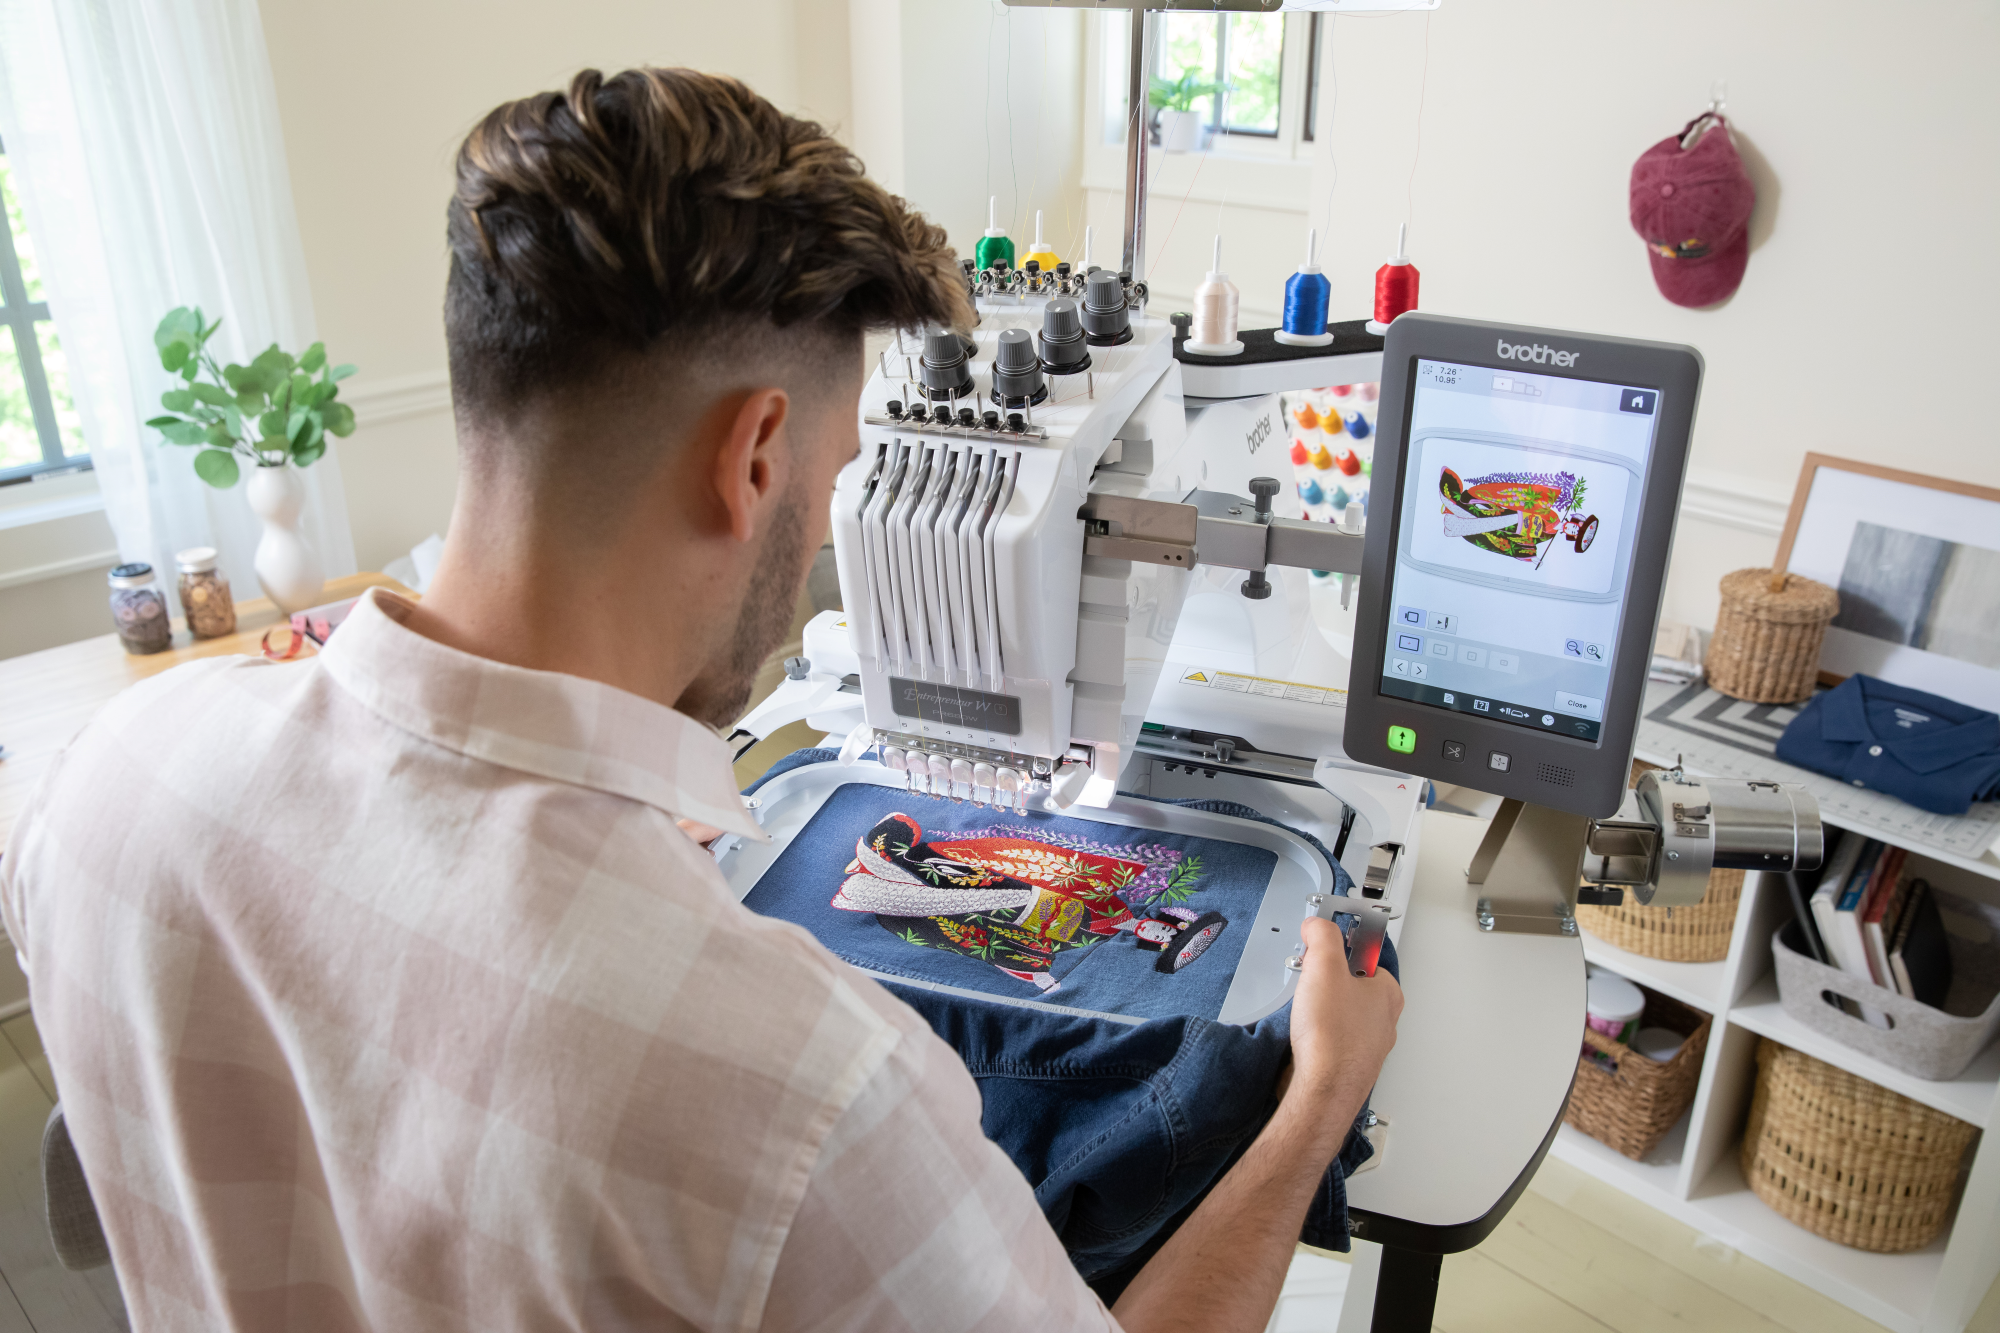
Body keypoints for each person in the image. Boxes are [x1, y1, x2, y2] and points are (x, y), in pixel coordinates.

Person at [0, 68, 1402, 1332]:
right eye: (843, 469)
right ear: (753, 459)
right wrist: (1319, 1098)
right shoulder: (807, 1096)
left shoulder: (107, 776)